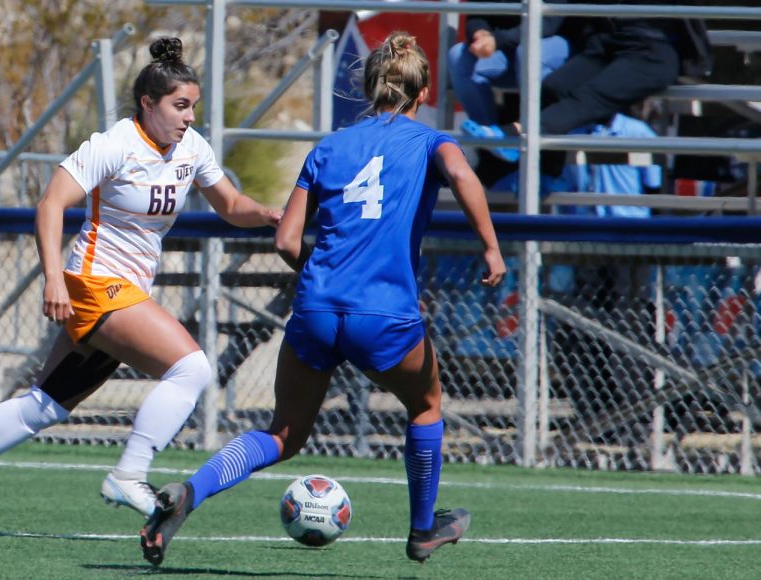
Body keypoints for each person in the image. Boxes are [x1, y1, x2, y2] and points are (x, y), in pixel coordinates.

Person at [137, 31, 507, 567]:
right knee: (425, 406)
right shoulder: (432, 142)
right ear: (421, 94)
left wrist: (324, 278)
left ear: (367, 88)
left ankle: (189, 493)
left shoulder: (329, 147)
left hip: (314, 308)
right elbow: (462, 175)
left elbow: (286, 240)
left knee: (283, 432)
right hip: (383, 312)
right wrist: (491, 248)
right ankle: (424, 529)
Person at [0, 37, 282, 535]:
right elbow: (50, 204)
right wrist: (52, 279)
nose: (189, 116)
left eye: (194, 106)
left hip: (125, 291)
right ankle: (130, 474)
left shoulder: (191, 148)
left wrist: (271, 215)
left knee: (46, 404)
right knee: (191, 368)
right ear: (148, 104)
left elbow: (231, 206)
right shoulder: (114, 144)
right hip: (93, 283)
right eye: (179, 105)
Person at [462, 1, 711, 173]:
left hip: (651, 50)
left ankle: (513, 134)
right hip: (607, 43)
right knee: (552, 88)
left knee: (589, 96)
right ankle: (545, 173)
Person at [447, 0, 570, 139]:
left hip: (559, 47)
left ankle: (540, 137)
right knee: (457, 57)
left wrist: (497, 40)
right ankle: (490, 136)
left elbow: (548, 23)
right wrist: (480, 34)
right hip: (506, 49)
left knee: (528, 52)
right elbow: (477, 14)